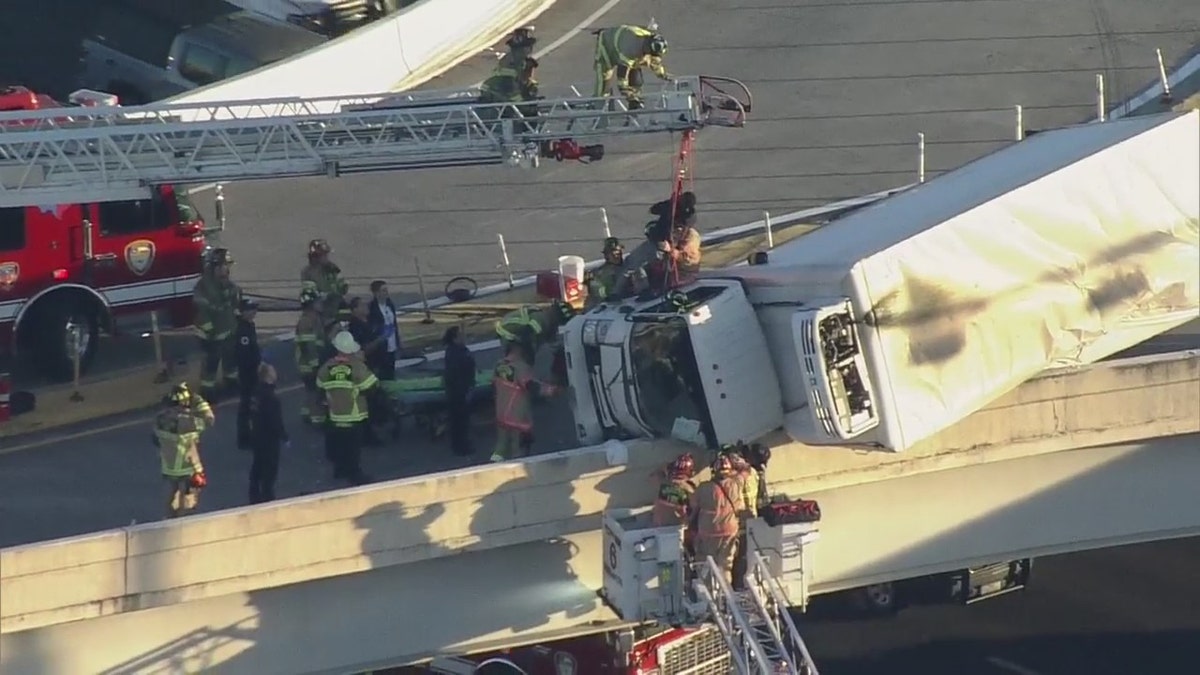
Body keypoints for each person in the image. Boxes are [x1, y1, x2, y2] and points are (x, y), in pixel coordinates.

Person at [316, 331, 378, 485]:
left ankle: (340, 470)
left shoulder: (326, 368)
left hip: (336, 414)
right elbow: (371, 387)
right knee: (353, 448)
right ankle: (356, 475)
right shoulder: (356, 366)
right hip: (354, 413)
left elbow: (320, 388)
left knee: (340, 445)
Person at [491, 340, 558, 463]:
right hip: (518, 418)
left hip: (502, 415)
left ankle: (493, 465)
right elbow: (532, 386)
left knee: (501, 446)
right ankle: (517, 471)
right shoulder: (521, 367)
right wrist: (551, 391)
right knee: (519, 452)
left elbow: (495, 385)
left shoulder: (499, 365)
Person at [192, 248, 242, 401]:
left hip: (228, 331)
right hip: (210, 336)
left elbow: (235, 305)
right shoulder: (203, 287)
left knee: (231, 360)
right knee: (211, 365)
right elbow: (201, 313)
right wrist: (210, 332)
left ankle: (231, 383)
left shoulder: (228, 285)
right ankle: (208, 392)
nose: (227, 270)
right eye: (224, 266)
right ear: (214, 267)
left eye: (227, 266)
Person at [152, 383, 207, 519]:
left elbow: (155, 440)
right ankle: (182, 521)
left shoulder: (160, 420)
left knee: (173, 492)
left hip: (169, 467)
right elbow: (207, 420)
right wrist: (199, 402)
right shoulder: (188, 422)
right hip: (186, 467)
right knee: (187, 497)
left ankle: (169, 519)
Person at [690, 453, 745, 585]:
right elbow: (745, 470)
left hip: (708, 532)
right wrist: (736, 459)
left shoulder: (703, 488)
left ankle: (708, 590)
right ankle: (726, 592)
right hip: (729, 532)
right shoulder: (737, 484)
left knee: (706, 564)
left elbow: (692, 507)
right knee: (725, 565)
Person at [593, 25, 671, 109]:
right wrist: (627, 93)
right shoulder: (631, 50)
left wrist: (663, 75)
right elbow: (622, 79)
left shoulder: (649, 40)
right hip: (607, 45)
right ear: (648, 49)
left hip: (623, 44)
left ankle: (634, 108)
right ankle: (598, 109)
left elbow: (654, 62)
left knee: (636, 80)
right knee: (605, 79)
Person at [348, 296, 387, 446]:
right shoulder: (355, 327)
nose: (366, 307)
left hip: (376, 364)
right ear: (355, 310)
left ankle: (374, 427)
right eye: (362, 305)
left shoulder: (368, 322)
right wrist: (379, 341)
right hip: (366, 368)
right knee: (368, 402)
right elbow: (363, 349)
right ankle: (368, 435)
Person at [248, 362, 288, 504]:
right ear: (268, 376)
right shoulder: (271, 397)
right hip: (269, 438)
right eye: (273, 372)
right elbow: (274, 419)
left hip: (257, 435)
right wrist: (284, 436)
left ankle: (254, 494)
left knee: (258, 466)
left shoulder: (256, 393)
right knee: (269, 469)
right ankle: (267, 496)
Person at [494, 301, 576, 365]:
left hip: (511, 331)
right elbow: (527, 335)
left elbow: (553, 342)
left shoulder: (547, 320)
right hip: (511, 336)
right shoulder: (541, 320)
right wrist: (530, 358)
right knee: (521, 359)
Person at [443, 326, 477, 456]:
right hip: (458, 392)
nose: (464, 336)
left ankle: (462, 444)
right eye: (460, 335)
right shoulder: (455, 353)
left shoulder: (459, 351)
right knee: (459, 421)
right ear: (455, 338)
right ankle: (460, 446)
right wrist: (463, 390)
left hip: (460, 390)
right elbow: (455, 374)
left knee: (461, 421)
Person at [301, 238, 349, 330]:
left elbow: (343, 288)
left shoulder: (333, 269)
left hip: (335, 308)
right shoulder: (308, 272)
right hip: (319, 311)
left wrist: (338, 289)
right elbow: (309, 294)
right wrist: (323, 296)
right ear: (315, 257)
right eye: (323, 255)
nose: (326, 257)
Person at [294, 288, 326, 425]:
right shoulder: (306, 321)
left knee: (310, 390)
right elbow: (308, 345)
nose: (321, 304)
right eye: (318, 301)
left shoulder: (315, 318)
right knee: (315, 392)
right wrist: (315, 364)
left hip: (310, 362)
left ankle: (307, 412)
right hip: (309, 364)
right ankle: (317, 419)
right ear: (311, 304)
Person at [234, 298, 261, 450]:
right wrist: (254, 368)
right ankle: (244, 437)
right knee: (247, 405)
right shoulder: (243, 329)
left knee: (249, 404)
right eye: (251, 309)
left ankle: (248, 435)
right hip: (248, 372)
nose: (254, 312)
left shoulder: (249, 326)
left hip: (251, 370)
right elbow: (244, 354)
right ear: (243, 312)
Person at [367, 280, 400, 381]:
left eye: (386, 290)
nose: (386, 293)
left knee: (391, 371)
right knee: (382, 373)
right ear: (376, 293)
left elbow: (394, 324)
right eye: (383, 290)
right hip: (381, 347)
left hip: (392, 344)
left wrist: (398, 341)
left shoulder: (389, 304)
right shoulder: (372, 308)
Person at [652, 452, 697, 527]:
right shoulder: (690, 490)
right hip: (678, 528)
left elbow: (653, 477)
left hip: (658, 527)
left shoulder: (662, 484)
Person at [585, 237, 631, 307]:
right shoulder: (600, 273)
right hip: (611, 305)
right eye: (612, 253)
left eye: (618, 251)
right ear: (606, 256)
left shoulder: (630, 264)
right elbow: (598, 294)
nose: (616, 254)